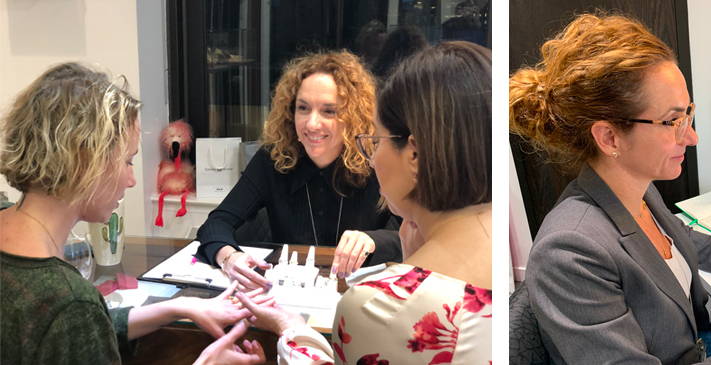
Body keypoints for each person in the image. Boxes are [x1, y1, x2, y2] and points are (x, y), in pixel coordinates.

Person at [510, 14, 711, 364]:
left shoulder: (635, 190)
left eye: (688, 115)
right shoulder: (570, 253)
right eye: (672, 121)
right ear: (609, 137)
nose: (692, 136)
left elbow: (675, 237)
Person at [235, 41, 493, 364]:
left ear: (413, 154)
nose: (372, 156)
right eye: (303, 108)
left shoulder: (375, 306)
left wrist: (289, 328)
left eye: (375, 140)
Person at [0, 62, 267, 364]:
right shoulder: (68, 302)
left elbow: (80, 333)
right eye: (127, 161)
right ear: (85, 161)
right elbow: (74, 324)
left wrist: (179, 307)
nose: (132, 180)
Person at [195, 51, 402, 289]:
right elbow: (216, 224)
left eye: (329, 111)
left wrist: (373, 240)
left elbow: (419, 235)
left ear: (353, 116)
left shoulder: (376, 160)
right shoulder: (272, 159)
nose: (312, 124)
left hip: (358, 295)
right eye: (303, 108)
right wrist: (230, 257)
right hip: (287, 294)